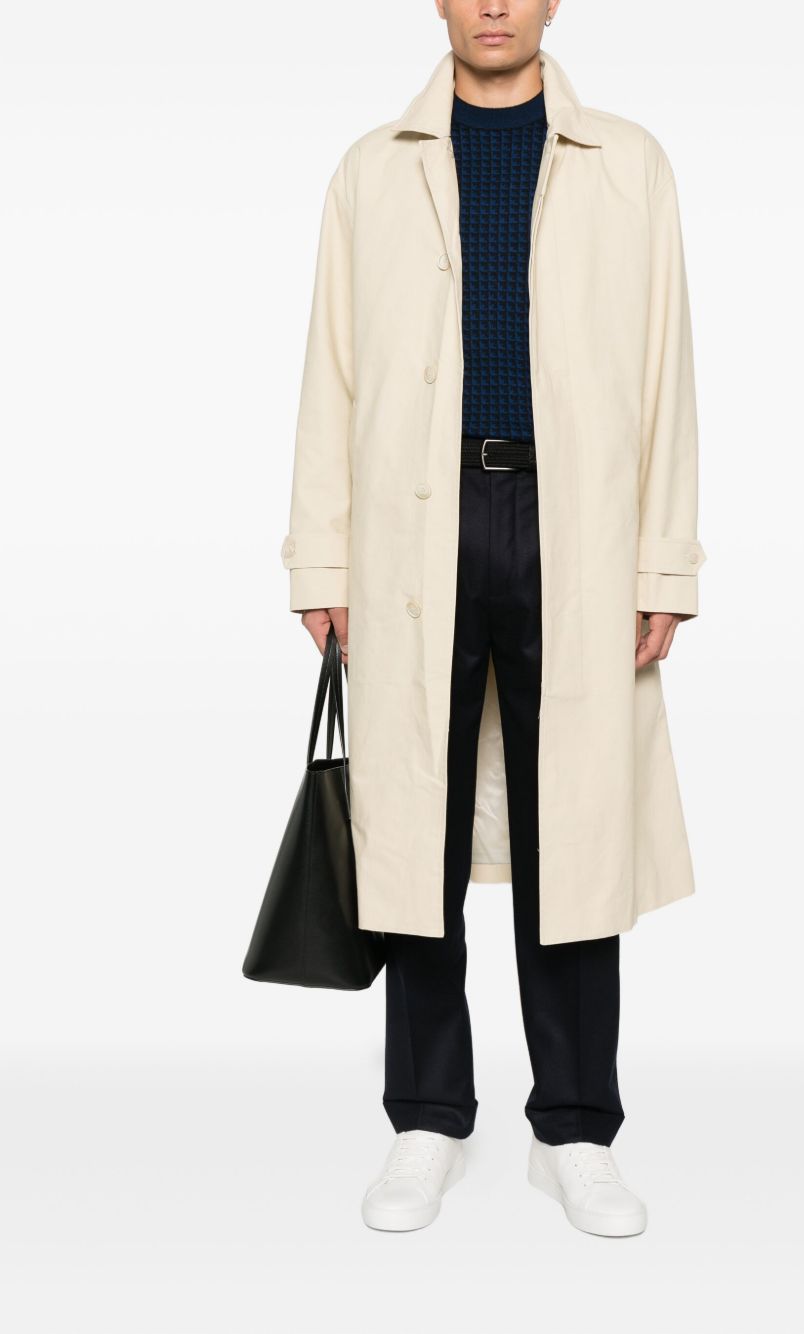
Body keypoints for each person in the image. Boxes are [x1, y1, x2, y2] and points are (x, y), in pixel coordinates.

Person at [280, 0, 706, 1238]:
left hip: (576, 525)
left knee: (576, 830)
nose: (494, 5)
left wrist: (661, 563)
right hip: (410, 522)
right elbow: (330, 370)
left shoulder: (628, 162)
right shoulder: (373, 168)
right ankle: (426, 1115)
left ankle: (574, 1129)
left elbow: (667, 368)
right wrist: (322, 554)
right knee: (407, 826)